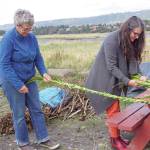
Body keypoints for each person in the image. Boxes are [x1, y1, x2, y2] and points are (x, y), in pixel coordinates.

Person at [0, 9, 60, 150]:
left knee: (36, 109)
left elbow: (38, 57)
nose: (28, 31)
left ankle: (43, 139)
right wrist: (18, 84)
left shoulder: (32, 37)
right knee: (19, 113)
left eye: (30, 28)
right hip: (11, 80)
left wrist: (44, 72)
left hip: (29, 78)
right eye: (26, 29)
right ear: (18, 25)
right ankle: (23, 143)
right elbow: (4, 65)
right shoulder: (8, 39)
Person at [86, 16, 147, 150]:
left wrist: (139, 76)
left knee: (116, 108)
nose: (136, 37)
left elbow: (133, 61)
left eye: (139, 35)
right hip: (103, 79)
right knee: (113, 109)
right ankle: (115, 140)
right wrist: (128, 81)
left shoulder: (131, 41)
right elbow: (111, 66)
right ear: (127, 29)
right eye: (135, 33)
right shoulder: (111, 40)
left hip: (116, 79)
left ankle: (116, 137)